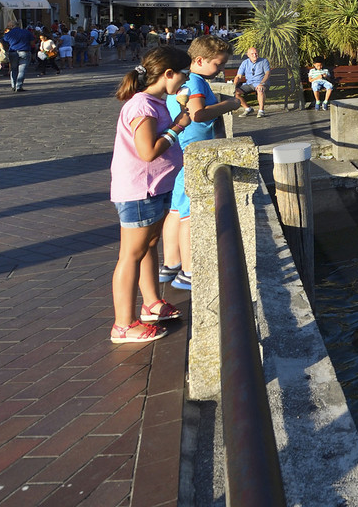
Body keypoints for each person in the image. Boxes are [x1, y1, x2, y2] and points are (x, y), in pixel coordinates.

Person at [108, 45, 194, 344]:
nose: (186, 81)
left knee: (149, 245)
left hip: (155, 187)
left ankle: (151, 303)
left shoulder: (155, 101)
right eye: (183, 75)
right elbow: (148, 151)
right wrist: (178, 127)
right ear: (168, 73)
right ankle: (123, 325)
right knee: (131, 255)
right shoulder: (142, 106)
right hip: (140, 190)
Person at [159, 35, 241, 291]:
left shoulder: (186, 79)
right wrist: (229, 104)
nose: (221, 69)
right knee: (188, 214)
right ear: (199, 60)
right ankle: (189, 271)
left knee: (176, 209)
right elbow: (197, 114)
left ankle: (171, 263)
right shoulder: (195, 81)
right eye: (218, 64)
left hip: (183, 150)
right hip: (194, 152)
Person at [232, 46, 271, 116]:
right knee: (235, 92)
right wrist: (234, 85)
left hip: (261, 83)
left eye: (256, 53)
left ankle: (261, 111)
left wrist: (262, 83)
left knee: (260, 89)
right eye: (252, 54)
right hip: (249, 84)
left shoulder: (264, 61)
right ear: (248, 55)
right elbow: (239, 76)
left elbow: (267, 73)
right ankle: (248, 109)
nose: (254, 55)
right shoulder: (245, 63)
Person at [1, 20, 35, 92]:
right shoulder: (26, 32)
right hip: (24, 51)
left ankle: (13, 85)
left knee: (13, 69)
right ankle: (19, 86)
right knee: (22, 70)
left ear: (12, 26)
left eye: (8, 26)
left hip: (13, 52)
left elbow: (3, 42)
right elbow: (32, 43)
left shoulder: (8, 34)